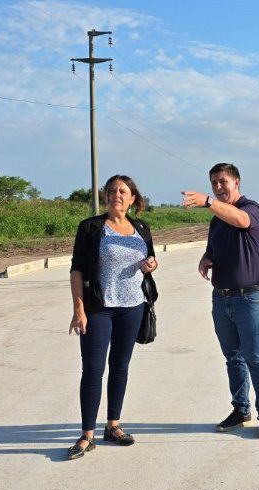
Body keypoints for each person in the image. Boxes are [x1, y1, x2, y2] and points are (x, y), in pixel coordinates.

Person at [181, 163, 259, 438]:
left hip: (251, 298)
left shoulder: (251, 208)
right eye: (214, 183)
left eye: (223, 181)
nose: (218, 187)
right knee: (233, 358)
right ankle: (241, 409)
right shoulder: (216, 221)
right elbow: (214, 249)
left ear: (237, 182)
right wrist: (206, 258)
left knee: (257, 358)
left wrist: (207, 201)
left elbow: (241, 221)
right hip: (222, 299)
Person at [67, 175, 158, 460]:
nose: (116, 194)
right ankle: (87, 434)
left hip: (133, 307)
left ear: (133, 198)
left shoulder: (141, 228)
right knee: (93, 370)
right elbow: (77, 271)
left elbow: (150, 261)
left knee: (120, 366)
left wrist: (150, 266)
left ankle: (113, 425)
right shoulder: (92, 228)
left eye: (123, 191)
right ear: (106, 197)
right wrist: (79, 310)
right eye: (111, 191)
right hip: (99, 308)